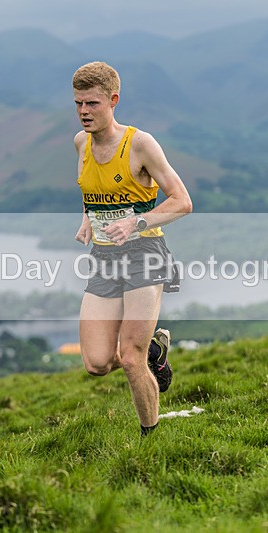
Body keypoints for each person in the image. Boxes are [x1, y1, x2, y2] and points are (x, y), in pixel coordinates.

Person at [72, 61, 192, 436]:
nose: (83, 111)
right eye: (78, 103)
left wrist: (135, 222)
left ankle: (149, 438)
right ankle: (156, 351)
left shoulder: (139, 144)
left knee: (129, 357)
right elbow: (92, 191)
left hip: (145, 254)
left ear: (113, 100)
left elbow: (182, 201)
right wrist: (88, 219)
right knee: (96, 363)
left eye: (92, 103)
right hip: (104, 259)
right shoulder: (81, 144)